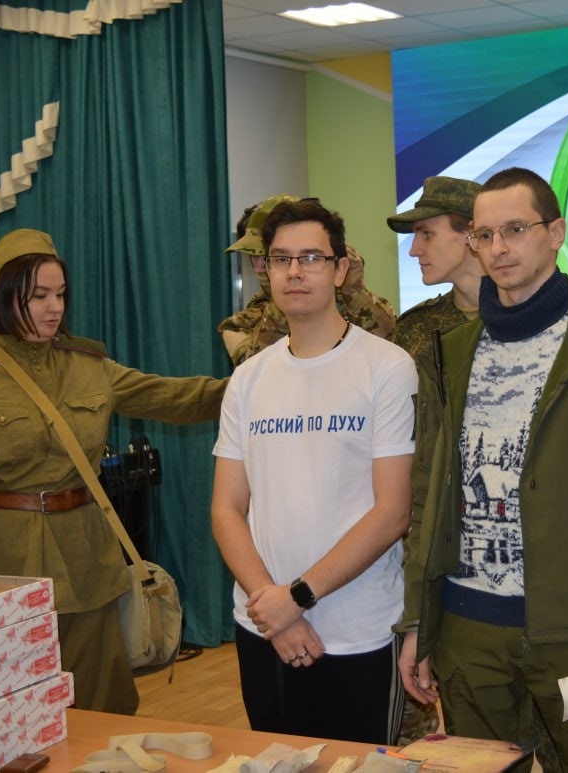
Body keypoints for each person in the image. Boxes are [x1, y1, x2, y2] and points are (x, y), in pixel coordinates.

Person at [398, 167, 568, 772]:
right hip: (469, 634)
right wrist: (420, 619)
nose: (498, 248)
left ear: (556, 233)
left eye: (515, 230)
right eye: (484, 235)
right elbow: (426, 496)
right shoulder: (451, 354)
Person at [0, 228, 226, 715]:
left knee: (100, 706)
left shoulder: (88, 366)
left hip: (85, 562)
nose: (54, 308)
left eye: (60, 294)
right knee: (15, 713)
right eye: (38, 296)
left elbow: (174, 397)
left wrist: (255, 383)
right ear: (3, 297)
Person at [211, 198, 417, 744]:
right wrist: (272, 605)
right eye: (281, 259)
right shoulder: (249, 378)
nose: (295, 272)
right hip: (263, 627)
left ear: (340, 269)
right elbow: (226, 509)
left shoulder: (387, 367)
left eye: (311, 258)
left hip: (358, 631)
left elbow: (392, 512)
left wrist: (297, 598)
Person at [219, 194, 397, 366]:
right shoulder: (241, 324)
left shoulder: (351, 303)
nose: (258, 266)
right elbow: (256, 370)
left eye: (308, 257)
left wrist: (355, 291)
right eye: (280, 258)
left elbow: (390, 342)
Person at [386, 175, 484, 365]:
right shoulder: (414, 328)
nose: (414, 250)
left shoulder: (529, 314)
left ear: (472, 234)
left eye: (427, 234)